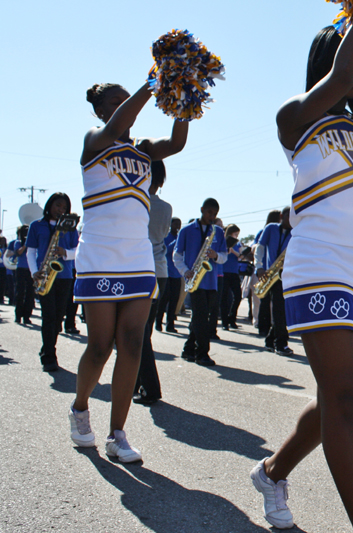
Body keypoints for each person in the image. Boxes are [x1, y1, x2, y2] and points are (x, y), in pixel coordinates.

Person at [249, 6, 353, 532]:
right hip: (318, 265)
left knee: (338, 398)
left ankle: (273, 471)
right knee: (343, 398)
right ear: (329, 55)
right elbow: (344, 76)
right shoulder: (294, 118)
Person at [70, 80, 188, 463]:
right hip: (101, 255)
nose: (127, 108)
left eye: (127, 100)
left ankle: (117, 433)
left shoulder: (143, 151)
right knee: (101, 345)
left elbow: (177, 143)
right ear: (101, 111)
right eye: (116, 103)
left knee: (133, 343)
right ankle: (81, 407)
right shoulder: (94, 140)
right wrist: (153, 83)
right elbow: (120, 121)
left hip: (137, 257)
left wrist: (186, 100)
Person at [26, 193, 79, 372]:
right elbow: (30, 251)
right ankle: (49, 356)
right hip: (45, 275)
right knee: (48, 316)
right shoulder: (36, 226)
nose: (60, 210)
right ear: (49, 206)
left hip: (64, 277)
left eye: (64, 208)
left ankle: (47, 348)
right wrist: (34, 272)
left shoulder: (70, 227)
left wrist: (65, 252)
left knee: (58, 317)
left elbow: (77, 252)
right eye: (58, 206)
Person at [133, 161, 172, 405]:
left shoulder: (134, 202)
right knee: (143, 330)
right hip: (160, 271)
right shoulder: (166, 207)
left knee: (136, 332)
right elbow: (164, 233)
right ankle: (136, 382)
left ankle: (150, 386)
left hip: (139, 270)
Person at [174, 199, 227, 366]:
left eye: (215, 214)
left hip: (211, 281)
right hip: (194, 280)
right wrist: (185, 271)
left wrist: (216, 256)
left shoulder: (217, 232)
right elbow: (177, 256)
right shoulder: (186, 230)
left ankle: (188, 349)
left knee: (200, 317)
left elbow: (224, 257)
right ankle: (202, 353)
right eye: (209, 213)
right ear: (202, 210)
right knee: (201, 317)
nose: (212, 217)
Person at [255, 206, 293, 355]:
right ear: (281, 216)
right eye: (289, 216)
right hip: (271, 274)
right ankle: (281, 343)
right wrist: (259, 267)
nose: (292, 220)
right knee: (279, 310)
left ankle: (271, 340)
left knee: (281, 310)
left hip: (286, 276)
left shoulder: (294, 234)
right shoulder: (271, 228)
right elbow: (260, 247)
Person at [254, 210, 282, 331]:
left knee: (276, 304)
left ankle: (272, 330)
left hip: (278, 271)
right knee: (264, 299)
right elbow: (256, 247)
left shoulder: (289, 232)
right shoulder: (266, 230)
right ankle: (262, 326)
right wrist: (259, 267)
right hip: (266, 270)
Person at [156, 217, 182, 332]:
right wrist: (176, 242)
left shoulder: (180, 238)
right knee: (164, 299)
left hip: (177, 273)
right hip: (167, 272)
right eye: (176, 224)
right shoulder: (166, 237)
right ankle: (158, 322)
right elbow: (166, 250)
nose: (177, 227)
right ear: (171, 225)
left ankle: (170, 324)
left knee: (174, 300)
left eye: (179, 225)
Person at [221, 224, 243, 330]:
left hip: (234, 272)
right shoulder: (223, 242)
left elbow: (240, 256)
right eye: (235, 234)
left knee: (238, 296)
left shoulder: (237, 244)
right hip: (224, 272)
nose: (236, 236)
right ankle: (225, 322)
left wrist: (234, 251)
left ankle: (232, 318)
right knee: (224, 298)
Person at [12, 225, 34, 324]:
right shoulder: (18, 242)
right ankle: (18, 315)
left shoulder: (33, 243)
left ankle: (27, 316)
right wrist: (25, 244)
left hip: (30, 270)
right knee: (20, 293)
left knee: (30, 293)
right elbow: (19, 253)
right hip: (20, 269)